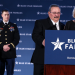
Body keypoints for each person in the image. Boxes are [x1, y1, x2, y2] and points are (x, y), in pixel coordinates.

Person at [31, 4, 64, 75]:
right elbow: (35, 35)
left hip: (57, 60)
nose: (56, 15)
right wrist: (43, 41)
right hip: (41, 58)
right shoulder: (40, 23)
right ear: (49, 13)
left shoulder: (63, 26)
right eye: (54, 13)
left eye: (58, 13)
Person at [0, 9, 20, 75]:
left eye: (8, 14)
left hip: (10, 53)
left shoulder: (14, 26)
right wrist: (2, 46)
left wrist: (10, 46)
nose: (7, 16)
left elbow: (17, 38)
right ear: (2, 15)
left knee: (10, 73)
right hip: (0, 53)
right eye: (5, 15)